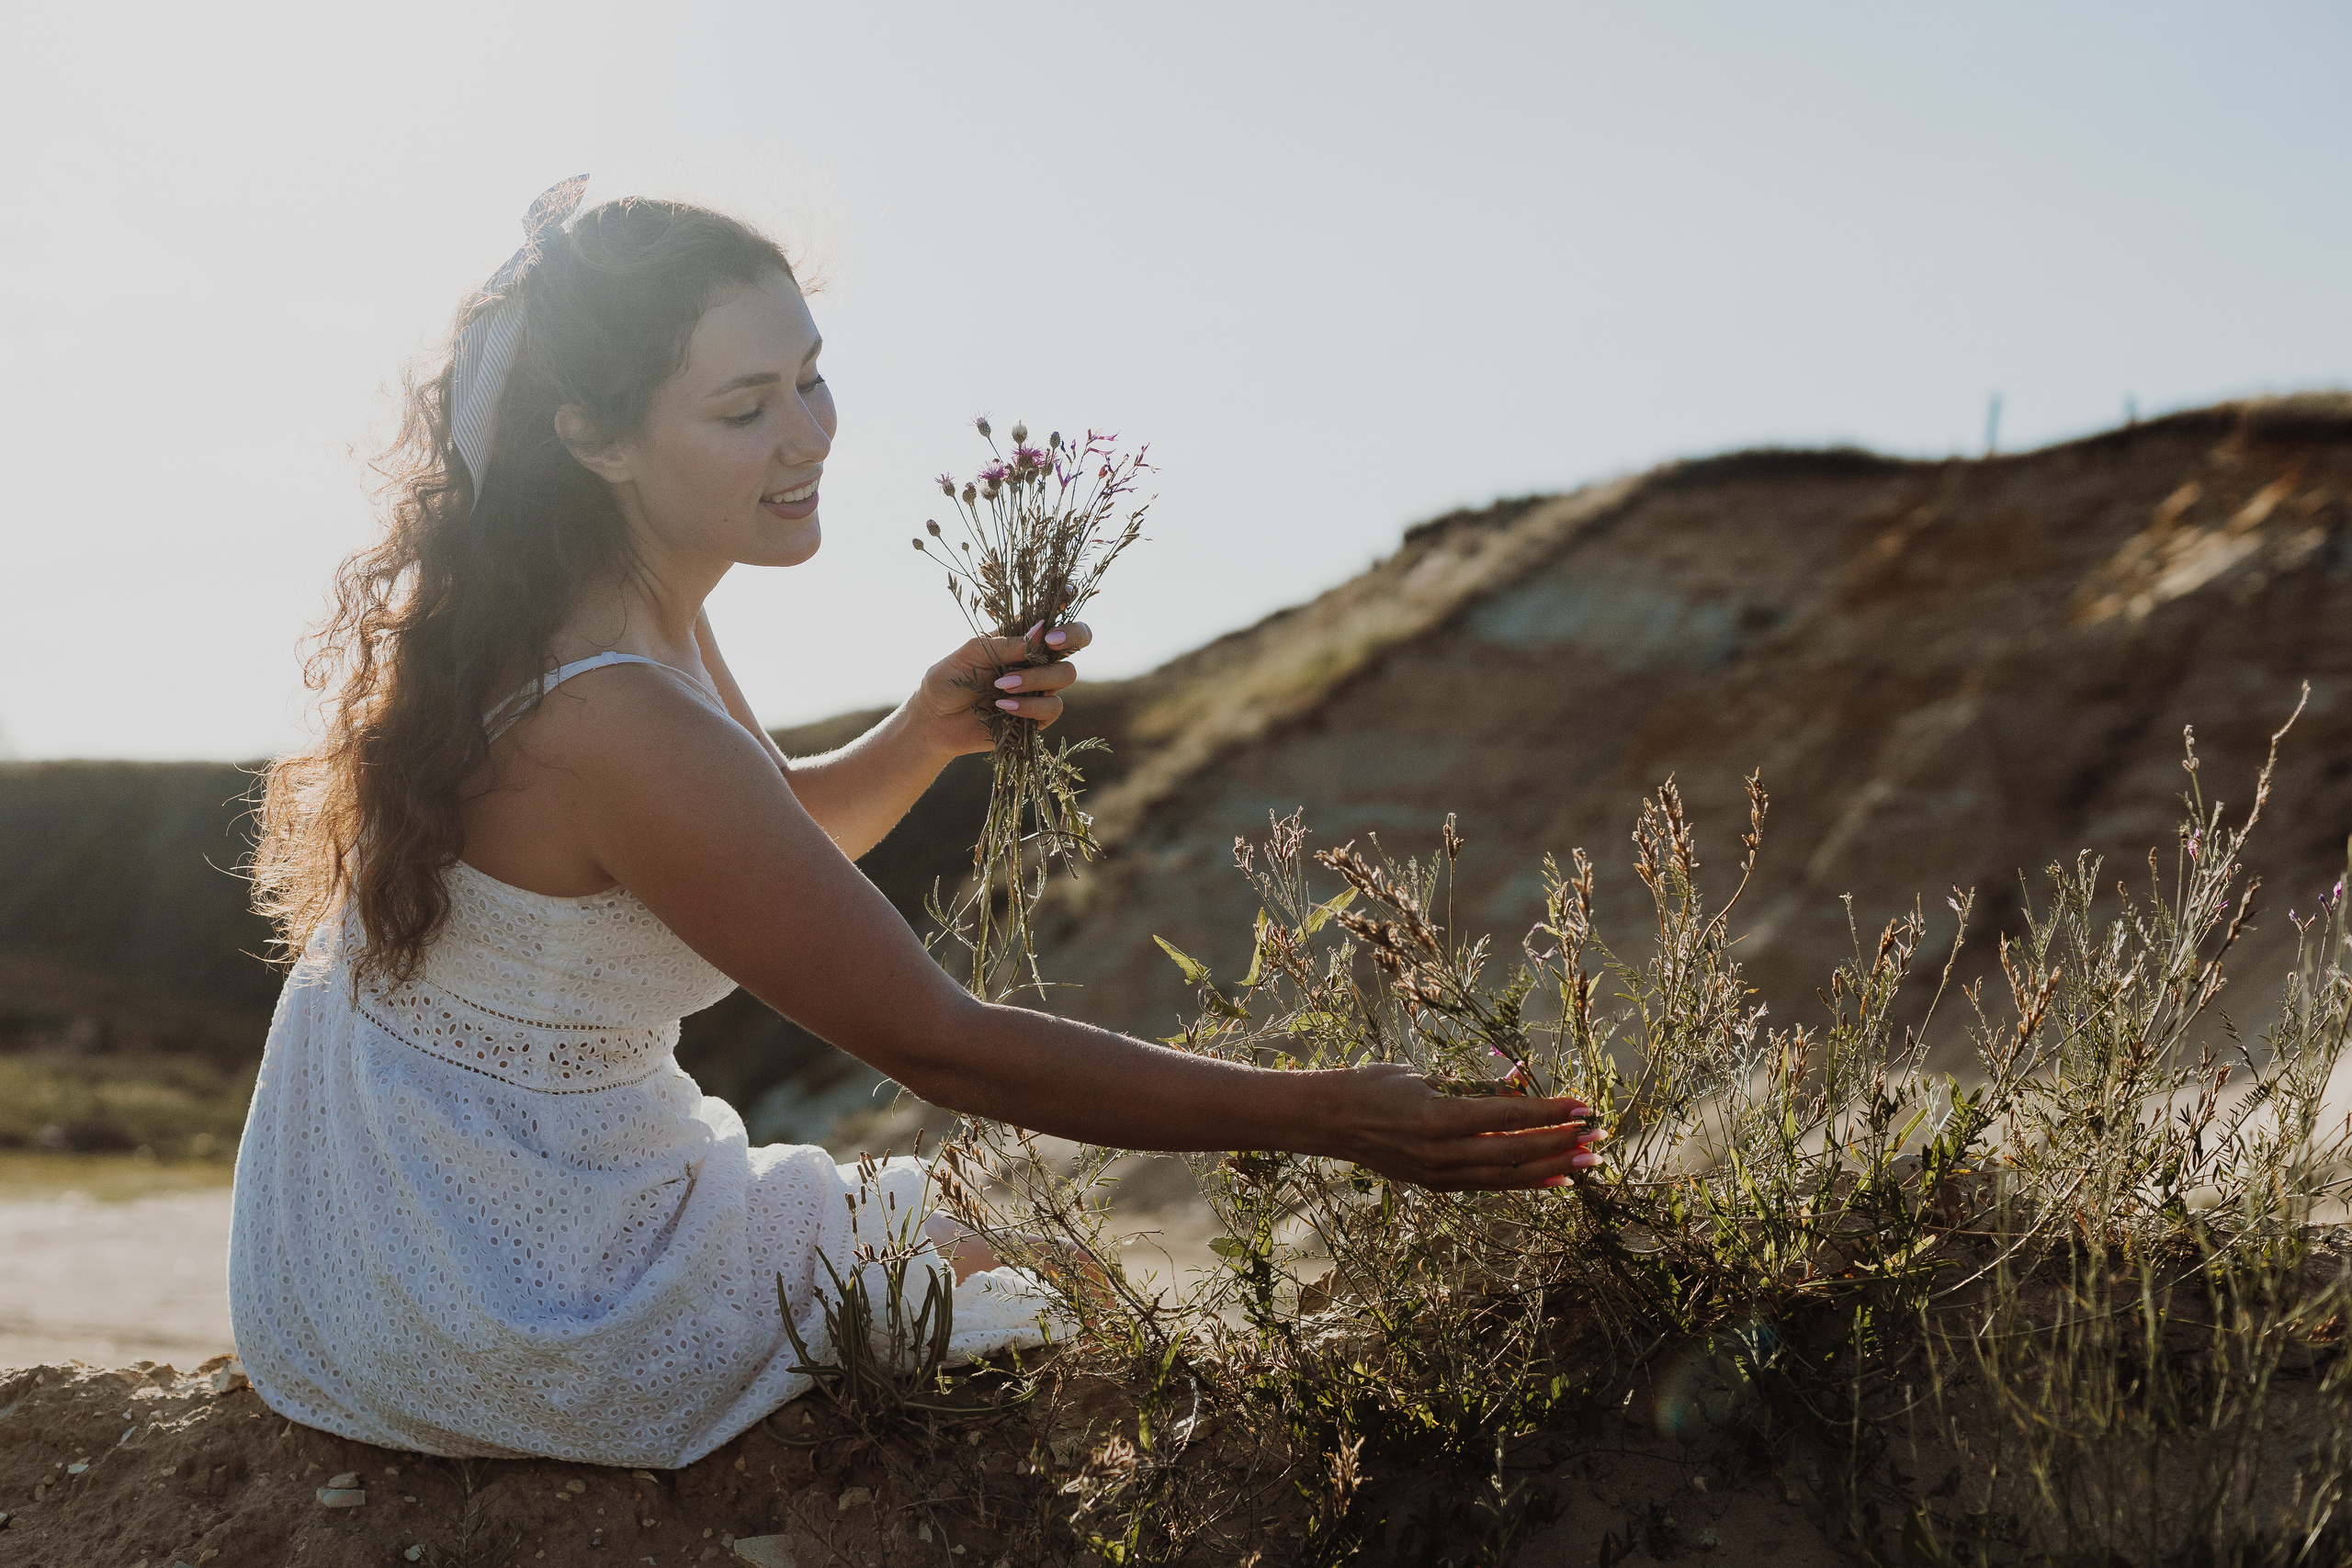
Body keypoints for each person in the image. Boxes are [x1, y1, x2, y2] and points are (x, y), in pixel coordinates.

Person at [232, 181, 1601, 1468]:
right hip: (492, 1272)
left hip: (428, 1203)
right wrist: (1334, 1115)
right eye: (743, 407)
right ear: (592, 437)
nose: (811, 434)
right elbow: (935, 1040)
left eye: (812, 376)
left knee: (996, 1249)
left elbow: (757, 841)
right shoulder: (614, 714)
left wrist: (923, 732)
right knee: (1026, 1258)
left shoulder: (622, 614)